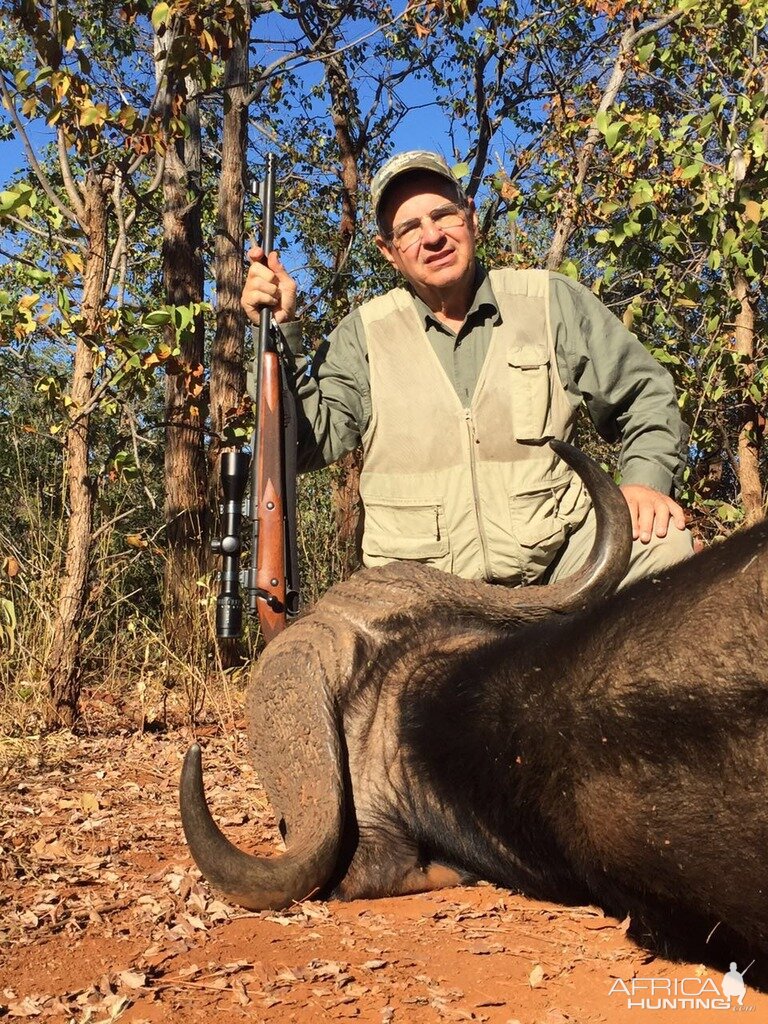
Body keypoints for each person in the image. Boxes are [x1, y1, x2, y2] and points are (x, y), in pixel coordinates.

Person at [241, 149, 693, 587]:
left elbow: (644, 396)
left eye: (443, 215)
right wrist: (279, 334)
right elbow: (299, 446)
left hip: (560, 572)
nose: (432, 236)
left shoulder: (549, 302)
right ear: (388, 250)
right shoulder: (364, 336)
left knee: (664, 544)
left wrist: (643, 485)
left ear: (471, 218)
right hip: (423, 597)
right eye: (410, 228)